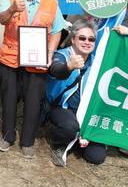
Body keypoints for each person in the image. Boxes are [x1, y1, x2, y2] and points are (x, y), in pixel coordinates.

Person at [0, 0, 65, 159]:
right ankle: (7, 137)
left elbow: (57, 29)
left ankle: (28, 142)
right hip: (10, 58)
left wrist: (51, 53)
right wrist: (11, 9)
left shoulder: (51, 3)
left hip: (37, 60)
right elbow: (1, 19)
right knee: (8, 100)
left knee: (34, 102)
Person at [46, 19, 105, 167]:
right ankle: (59, 144)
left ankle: (79, 138)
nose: (87, 42)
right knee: (69, 127)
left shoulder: (98, 62)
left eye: (91, 39)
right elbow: (55, 70)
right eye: (82, 38)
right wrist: (69, 67)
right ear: (73, 39)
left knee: (96, 157)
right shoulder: (62, 55)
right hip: (62, 108)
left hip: (87, 111)